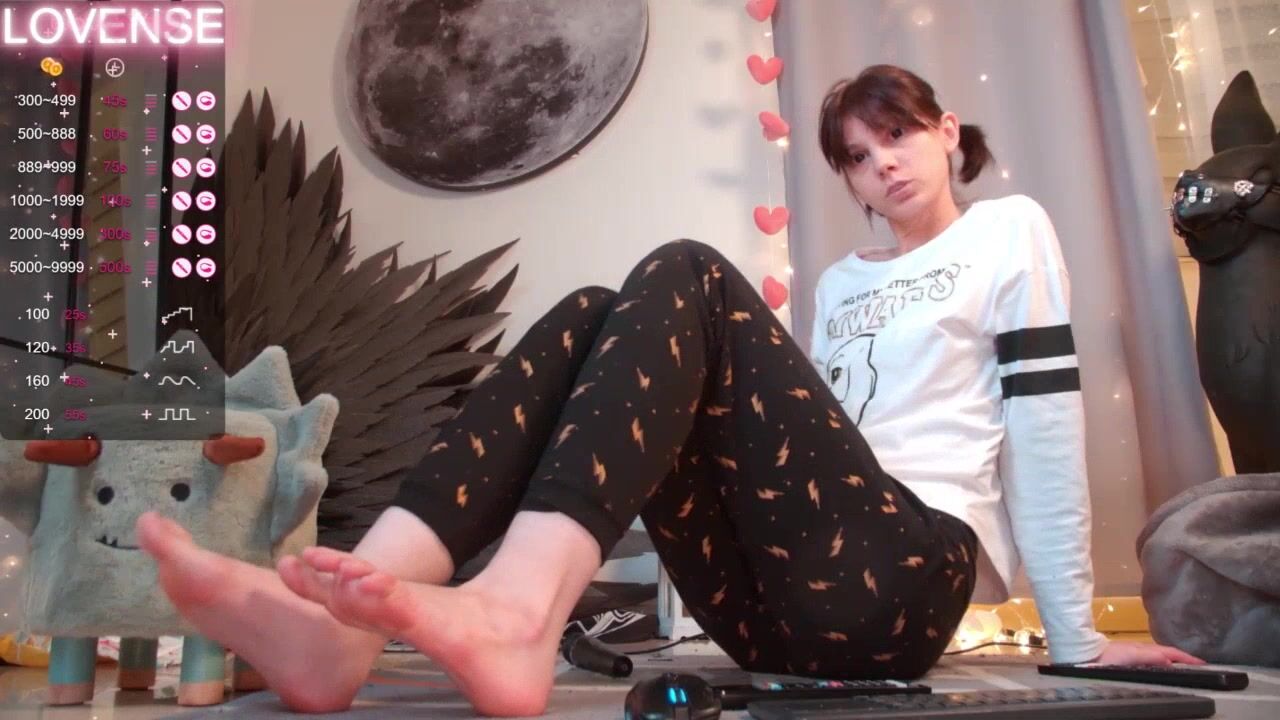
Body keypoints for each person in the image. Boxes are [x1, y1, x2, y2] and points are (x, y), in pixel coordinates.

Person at [135, 63, 1201, 717]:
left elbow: (1041, 421)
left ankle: (516, 608)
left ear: (947, 131)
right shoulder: (839, 283)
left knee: (685, 267)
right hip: (773, 612)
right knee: (591, 309)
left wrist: (1074, 636)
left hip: (906, 578)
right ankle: (343, 626)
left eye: (900, 133)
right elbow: (781, 462)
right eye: (856, 153)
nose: (884, 162)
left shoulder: (1007, 232)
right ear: (843, 178)